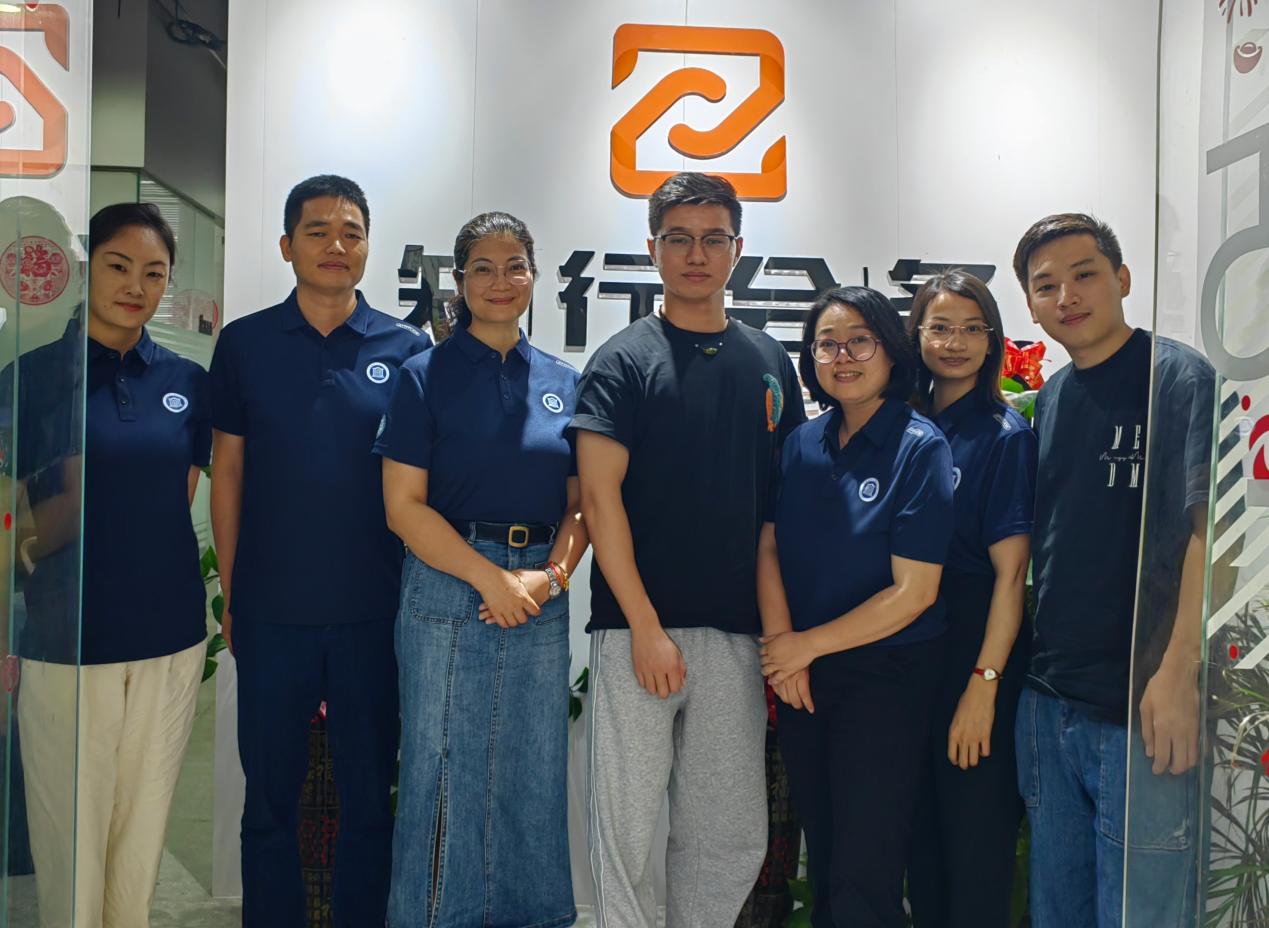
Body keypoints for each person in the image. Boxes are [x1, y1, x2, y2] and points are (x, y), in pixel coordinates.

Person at [572, 172, 805, 927]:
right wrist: (645, 627)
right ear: (653, 250)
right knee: (625, 831)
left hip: (736, 634)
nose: (696, 255)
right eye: (679, 239)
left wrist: (778, 635)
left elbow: (779, 512)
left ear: (737, 249)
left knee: (727, 834)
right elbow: (599, 500)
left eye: (712, 239)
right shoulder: (622, 360)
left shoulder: (769, 361)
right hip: (636, 631)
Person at [209, 175, 432, 927]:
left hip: (375, 613)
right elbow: (228, 473)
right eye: (317, 231)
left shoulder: (408, 349)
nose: (336, 245)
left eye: (351, 232)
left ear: (367, 246)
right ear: (286, 246)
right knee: (269, 800)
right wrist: (233, 592)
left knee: (369, 801)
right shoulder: (245, 344)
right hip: (272, 612)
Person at [376, 211, 587, 928]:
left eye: (515, 266)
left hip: (540, 591)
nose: (501, 281)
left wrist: (549, 578)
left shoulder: (564, 381)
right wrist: (488, 578)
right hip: (446, 584)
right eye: (483, 269)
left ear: (535, 276)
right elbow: (403, 507)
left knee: (532, 769)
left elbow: (583, 505)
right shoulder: (422, 376)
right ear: (460, 281)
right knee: (441, 768)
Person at [1011, 213, 1212, 927]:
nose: (1066, 296)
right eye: (1046, 286)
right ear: (1031, 305)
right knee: (1056, 911)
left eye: (1084, 275)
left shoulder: (1176, 377)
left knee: (1141, 915)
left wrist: (1177, 670)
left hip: (1139, 707)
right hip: (1048, 704)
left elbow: (1206, 533)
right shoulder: (1052, 396)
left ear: (1122, 279)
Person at [15, 202, 209, 927]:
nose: (135, 286)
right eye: (118, 266)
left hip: (168, 637)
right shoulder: (34, 376)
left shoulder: (187, 380)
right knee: (71, 845)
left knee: (140, 841)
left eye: (153, 273)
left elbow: (179, 493)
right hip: (66, 642)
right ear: (85, 268)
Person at [759, 286, 954, 928]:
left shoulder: (919, 446)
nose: (842, 357)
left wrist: (803, 647)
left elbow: (915, 591)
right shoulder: (801, 444)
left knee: (865, 868)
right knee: (824, 852)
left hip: (886, 679)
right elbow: (770, 546)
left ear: (891, 352)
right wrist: (784, 651)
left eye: (859, 342)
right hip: (804, 677)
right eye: (827, 344)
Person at [902, 271, 1035, 928]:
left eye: (970, 329)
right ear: (917, 337)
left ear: (991, 341)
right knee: (920, 844)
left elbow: (1011, 577)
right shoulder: (901, 426)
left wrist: (983, 686)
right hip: (908, 650)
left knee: (974, 844)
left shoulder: (1004, 434)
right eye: (940, 328)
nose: (954, 343)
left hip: (975, 644)